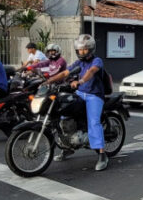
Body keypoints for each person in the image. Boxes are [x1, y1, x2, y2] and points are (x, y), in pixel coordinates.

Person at [46, 34, 108, 171]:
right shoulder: (79, 63)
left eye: (85, 49)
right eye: (80, 50)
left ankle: (102, 154)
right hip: (80, 93)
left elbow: (91, 72)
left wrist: (80, 81)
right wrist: (48, 81)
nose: (82, 52)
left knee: (94, 123)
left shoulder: (97, 61)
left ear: (91, 49)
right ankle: (67, 147)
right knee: (63, 114)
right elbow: (65, 73)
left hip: (94, 96)